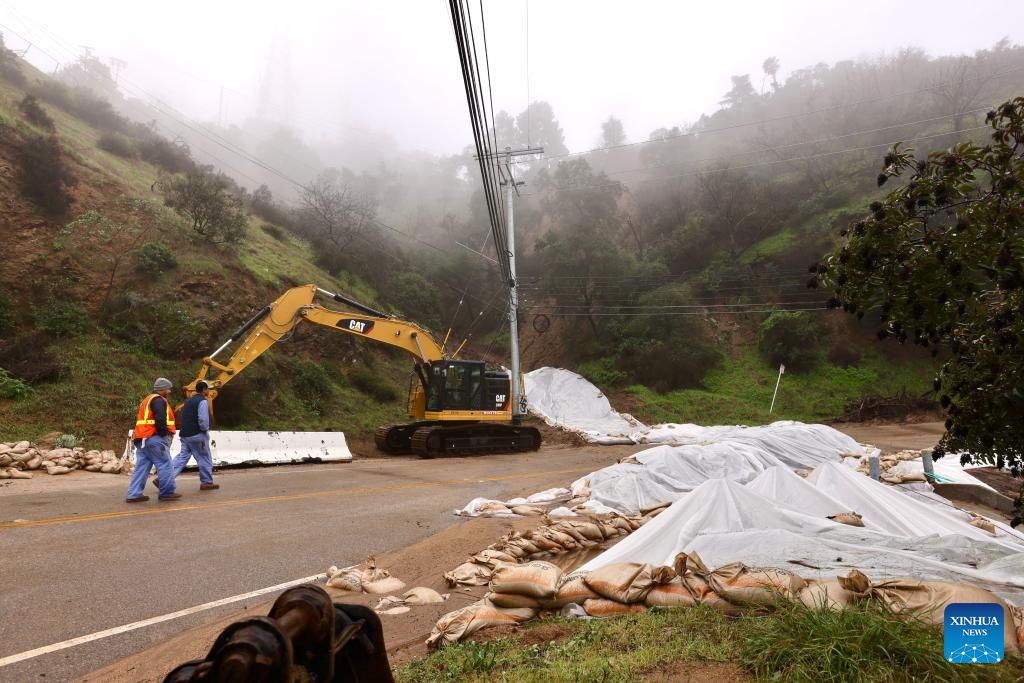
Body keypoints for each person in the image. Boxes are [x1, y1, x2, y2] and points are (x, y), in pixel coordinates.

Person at [125, 377, 181, 502]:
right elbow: (160, 419)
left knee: (141, 467)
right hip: (154, 438)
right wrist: (163, 434)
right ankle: (167, 493)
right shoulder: (159, 400)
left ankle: (134, 494)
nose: (170, 392)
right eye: (168, 389)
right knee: (165, 465)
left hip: (142, 438)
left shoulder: (147, 399)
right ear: (163, 389)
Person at [165, 380, 219, 491]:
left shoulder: (188, 401)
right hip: (197, 435)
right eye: (208, 389)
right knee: (204, 458)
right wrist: (205, 430)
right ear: (204, 390)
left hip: (185, 434)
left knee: (182, 457)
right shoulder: (203, 401)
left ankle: (164, 478)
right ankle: (207, 482)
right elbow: (203, 420)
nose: (209, 391)